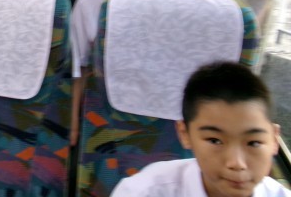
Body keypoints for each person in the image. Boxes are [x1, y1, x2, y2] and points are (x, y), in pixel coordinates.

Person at [70, 0, 205, 145]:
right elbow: (79, 70)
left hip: (160, 117)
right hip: (102, 113)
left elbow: (189, 63)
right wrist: (74, 125)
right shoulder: (88, 5)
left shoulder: (174, 7)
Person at [111, 61, 290, 197]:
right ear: (185, 134)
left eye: (254, 143)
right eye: (215, 141)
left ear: (274, 140)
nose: (236, 163)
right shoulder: (143, 192)